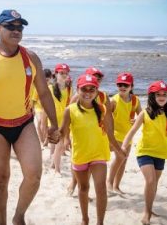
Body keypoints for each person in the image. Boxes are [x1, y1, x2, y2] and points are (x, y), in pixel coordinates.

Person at [0, 9, 59, 225]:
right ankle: (1, 222)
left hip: (24, 124)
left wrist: (54, 124)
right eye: (10, 26)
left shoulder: (31, 58)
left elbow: (44, 93)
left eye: (20, 27)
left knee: (34, 175)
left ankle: (18, 216)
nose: (16, 31)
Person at [121, 80, 167, 225]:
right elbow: (132, 131)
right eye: (158, 94)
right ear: (152, 96)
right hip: (145, 151)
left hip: (161, 153)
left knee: (154, 185)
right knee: (150, 180)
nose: (162, 97)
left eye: (164, 94)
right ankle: (146, 213)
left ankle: (149, 208)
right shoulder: (145, 113)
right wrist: (123, 146)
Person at [60, 74, 125, 225]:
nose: (88, 92)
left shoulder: (103, 109)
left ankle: (100, 222)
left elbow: (110, 132)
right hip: (80, 155)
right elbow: (63, 131)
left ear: (97, 91)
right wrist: (59, 137)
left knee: (100, 188)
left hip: (99, 154)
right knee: (83, 188)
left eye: (92, 89)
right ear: (78, 90)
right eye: (84, 89)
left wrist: (119, 150)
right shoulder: (70, 110)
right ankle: (85, 219)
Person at [67, 66, 113, 195]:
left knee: (94, 166)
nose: (96, 79)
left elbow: (109, 118)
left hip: (98, 137)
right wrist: (69, 137)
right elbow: (70, 114)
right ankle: (73, 182)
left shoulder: (103, 96)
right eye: (94, 77)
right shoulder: (77, 96)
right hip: (80, 135)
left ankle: (82, 189)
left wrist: (110, 137)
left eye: (98, 78)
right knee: (79, 162)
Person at [107, 72, 142, 194]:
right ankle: (109, 183)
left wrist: (136, 120)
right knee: (119, 158)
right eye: (120, 84)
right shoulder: (114, 100)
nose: (122, 87)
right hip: (115, 134)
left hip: (128, 136)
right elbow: (106, 117)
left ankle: (116, 186)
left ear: (131, 86)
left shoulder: (135, 100)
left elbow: (142, 116)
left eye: (125, 85)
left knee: (123, 161)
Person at [48, 63, 72, 176]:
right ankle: (56, 169)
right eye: (61, 73)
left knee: (60, 145)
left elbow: (71, 104)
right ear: (56, 73)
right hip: (53, 119)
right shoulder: (50, 88)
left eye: (66, 73)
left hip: (64, 120)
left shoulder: (69, 89)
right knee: (57, 144)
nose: (64, 75)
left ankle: (54, 166)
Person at [31, 68, 52, 146]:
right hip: (38, 107)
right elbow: (33, 99)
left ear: (51, 78)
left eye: (48, 80)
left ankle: (46, 139)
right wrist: (32, 109)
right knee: (40, 122)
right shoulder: (38, 87)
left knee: (47, 124)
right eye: (44, 80)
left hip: (47, 108)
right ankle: (41, 140)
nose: (46, 81)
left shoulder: (52, 88)